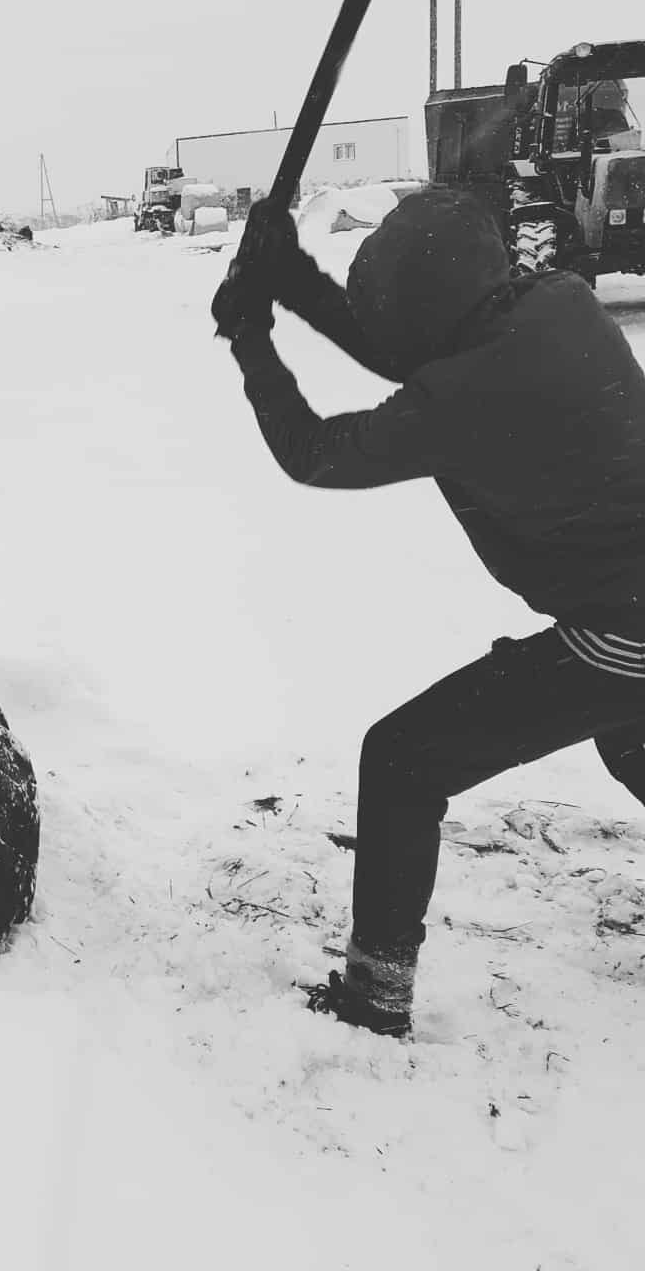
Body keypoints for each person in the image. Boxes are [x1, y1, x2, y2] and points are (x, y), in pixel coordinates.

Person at [211, 188, 645, 1037]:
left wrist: (252, 338)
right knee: (628, 731)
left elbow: (314, 454)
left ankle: (374, 997)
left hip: (623, 629)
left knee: (404, 761)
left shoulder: (461, 395)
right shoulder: (560, 305)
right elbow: (413, 345)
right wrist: (288, 274)